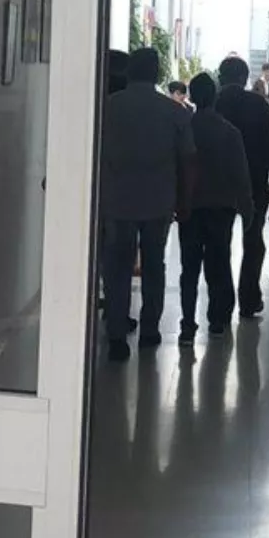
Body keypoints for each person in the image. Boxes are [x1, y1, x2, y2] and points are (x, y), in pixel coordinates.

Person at [97, 47, 195, 362]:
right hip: (158, 200)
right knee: (154, 264)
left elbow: (95, 153)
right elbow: (187, 160)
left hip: (117, 199)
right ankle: (150, 329)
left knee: (117, 266)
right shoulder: (174, 112)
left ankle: (115, 334)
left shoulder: (108, 107)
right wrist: (184, 200)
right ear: (155, 74)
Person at [178, 73, 252, 343]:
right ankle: (217, 317)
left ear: (193, 96)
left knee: (189, 267)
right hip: (222, 207)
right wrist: (247, 208)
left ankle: (187, 323)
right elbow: (240, 174)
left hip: (191, 206)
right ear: (215, 95)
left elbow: (178, 166)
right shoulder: (229, 131)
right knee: (218, 262)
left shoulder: (185, 127)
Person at [214, 55, 269, 318]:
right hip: (254, 180)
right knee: (253, 240)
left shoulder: (214, 103)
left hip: (220, 182)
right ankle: (249, 298)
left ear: (221, 77)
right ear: (243, 79)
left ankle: (222, 302)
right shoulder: (258, 104)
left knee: (220, 242)